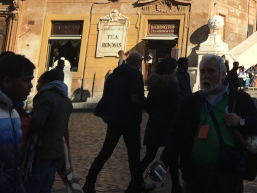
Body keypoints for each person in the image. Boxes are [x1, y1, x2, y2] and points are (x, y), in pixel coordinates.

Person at [157, 54, 257, 193]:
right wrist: (163, 161)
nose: (205, 75)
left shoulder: (238, 99)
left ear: (223, 75)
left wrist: (241, 121)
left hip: (228, 175)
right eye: (203, 72)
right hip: (195, 176)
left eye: (211, 71)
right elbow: (176, 135)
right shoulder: (191, 102)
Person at [83, 52, 145, 193]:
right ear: (138, 62)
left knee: (105, 152)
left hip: (114, 118)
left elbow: (107, 96)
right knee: (134, 154)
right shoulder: (136, 75)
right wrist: (147, 105)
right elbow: (135, 98)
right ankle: (137, 184)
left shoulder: (113, 75)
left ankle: (89, 181)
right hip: (129, 120)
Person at [25, 68, 73, 193]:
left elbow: (37, 122)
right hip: (57, 149)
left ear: (46, 82)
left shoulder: (46, 97)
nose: (36, 85)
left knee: (35, 183)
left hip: (42, 148)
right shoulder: (66, 100)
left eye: (39, 81)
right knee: (47, 183)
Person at [138, 57, 182, 193]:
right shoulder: (173, 84)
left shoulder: (155, 84)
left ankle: (135, 180)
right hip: (169, 124)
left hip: (155, 122)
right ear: (171, 69)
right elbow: (176, 105)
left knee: (149, 155)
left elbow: (149, 106)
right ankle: (176, 186)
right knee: (172, 156)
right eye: (175, 68)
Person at [0, 54, 35, 193]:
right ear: (7, 81)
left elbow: (13, 166)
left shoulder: (14, 113)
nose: (31, 86)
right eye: (26, 80)